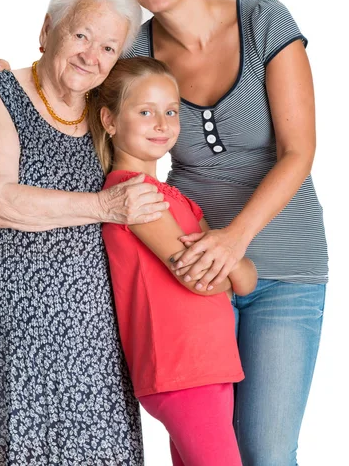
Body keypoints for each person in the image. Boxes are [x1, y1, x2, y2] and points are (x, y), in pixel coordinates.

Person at [0, 0, 328, 466]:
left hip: (275, 261)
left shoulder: (263, 22)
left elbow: (299, 151)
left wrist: (233, 241)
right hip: (187, 256)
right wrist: (0, 75)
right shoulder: (133, 49)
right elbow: (73, 66)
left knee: (266, 449)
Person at [0, 0, 174, 466]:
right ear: (48, 31)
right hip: (0, 338)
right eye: (81, 34)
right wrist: (102, 208)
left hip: (92, 349)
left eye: (109, 47)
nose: (91, 55)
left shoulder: (107, 115)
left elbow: (164, 143)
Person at [88, 56, 257, 466]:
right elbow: (204, 280)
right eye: (145, 112)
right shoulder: (133, 195)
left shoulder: (175, 197)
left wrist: (228, 263)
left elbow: (248, 280)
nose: (162, 124)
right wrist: (227, 260)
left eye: (170, 111)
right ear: (109, 120)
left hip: (208, 365)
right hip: (181, 367)